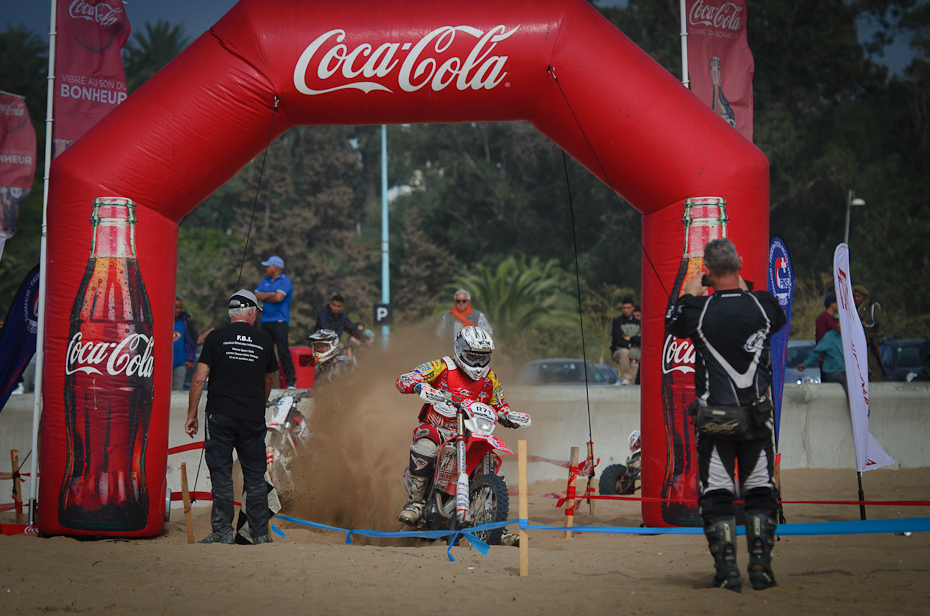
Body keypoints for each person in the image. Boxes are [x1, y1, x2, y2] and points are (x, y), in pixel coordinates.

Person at [665, 239, 786, 592]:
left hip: (715, 420)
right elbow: (770, 314)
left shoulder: (696, 311)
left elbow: (672, 323)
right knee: (761, 491)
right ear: (741, 264)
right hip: (757, 418)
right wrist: (740, 286)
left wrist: (690, 292)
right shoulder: (763, 305)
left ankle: (727, 569)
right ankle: (761, 566)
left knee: (716, 494)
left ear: (707, 273)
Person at [394, 326, 520, 525]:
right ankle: (415, 503)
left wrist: (508, 415)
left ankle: (495, 524)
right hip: (438, 429)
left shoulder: (490, 379)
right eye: (473, 357)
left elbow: (500, 404)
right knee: (425, 448)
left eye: (483, 357)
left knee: (496, 469)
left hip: (472, 433)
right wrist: (419, 385)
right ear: (460, 352)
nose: (478, 363)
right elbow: (405, 379)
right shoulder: (442, 366)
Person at [185, 290, 279, 545]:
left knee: (221, 473)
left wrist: (192, 415)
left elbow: (198, 378)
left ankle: (222, 531)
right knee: (255, 474)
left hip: (219, 415)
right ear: (250, 312)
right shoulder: (264, 339)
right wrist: (258, 404)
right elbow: (269, 379)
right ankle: (259, 534)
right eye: (255, 312)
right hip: (251, 417)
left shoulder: (215, 337)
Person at [254, 255, 296, 389]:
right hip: (265, 321)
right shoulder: (264, 281)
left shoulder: (286, 281)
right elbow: (255, 295)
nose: (265, 268)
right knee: (264, 352)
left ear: (276, 267)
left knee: (283, 351)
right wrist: (271, 294)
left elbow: (279, 297)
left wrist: (265, 295)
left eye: (268, 266)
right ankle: (260, 381)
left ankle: (291, 381)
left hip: (280, 321)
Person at [435, 288, 493, 354]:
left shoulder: (479, 316)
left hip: (473, 355)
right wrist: (442, 353)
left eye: (464, 301)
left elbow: (489, 334)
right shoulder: (447, 316)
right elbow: (440, 335)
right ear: (455, 301)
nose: (461, 303)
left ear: (468, 301)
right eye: (458, 301)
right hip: (451, 353)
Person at [798, 320, 847, 394]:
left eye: (839, 322)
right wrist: (805, 364)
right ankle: (854, 403)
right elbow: (817, 353)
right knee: (845, 380)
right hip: (833, 372)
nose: (837, 325)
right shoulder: (830, 337)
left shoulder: (849, 337)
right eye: (836, 323)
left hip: (847, 372)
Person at [852, 285, 887, 381]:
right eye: (855, 296)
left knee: (873, 371)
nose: (856, 299)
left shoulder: (872, 307)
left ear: (864, 296)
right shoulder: (854, 308)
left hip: (869, 346)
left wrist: (876, 342)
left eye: (859, 296)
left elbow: (882, 325)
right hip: (857, 347)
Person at [610, 297, 641, 385]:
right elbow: (618, 340)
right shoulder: (617, 322)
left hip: (635, 357)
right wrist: (633, 342)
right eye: (624, 308)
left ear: (633, 308)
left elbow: (642, 340)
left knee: (633, 382)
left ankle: (629, 382)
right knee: (624, 352)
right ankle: (625, 377)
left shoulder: (639, 323)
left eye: (628, 308)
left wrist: (630, 339)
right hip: (619, 352)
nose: (626, 310)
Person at [172, 297, 197, 391]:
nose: (178, 310)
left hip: (180, 364)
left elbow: (190, 341)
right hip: (165, 366)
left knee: (177, 391)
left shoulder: (185, 322)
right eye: (176, 307)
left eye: (180, 307)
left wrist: (190, 359)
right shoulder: (163, 321)